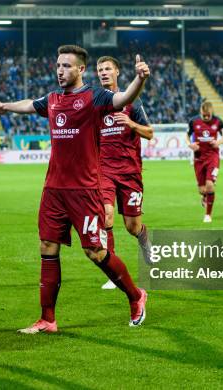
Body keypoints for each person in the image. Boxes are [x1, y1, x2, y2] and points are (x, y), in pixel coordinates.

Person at [0, 45, 150, 333]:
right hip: (53, 190)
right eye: (58, 65)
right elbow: (30, 103)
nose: (60, 71)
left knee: (95, 252)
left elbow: (124, 97)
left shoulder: (96, 97)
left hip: (84, 189)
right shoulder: (53, 99)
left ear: (80, 70)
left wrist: (140, 79)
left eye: (66, 66)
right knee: (47, 248)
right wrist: (5, 106)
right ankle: (47, 319)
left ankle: (136, 296)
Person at [95, 55, 154, 290]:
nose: (103, 72)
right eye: (100, 69)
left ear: (117, 72)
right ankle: (113, 272)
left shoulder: (133, 103)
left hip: (130, 173)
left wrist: (131, 124)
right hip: (104, 172)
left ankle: (144, 238)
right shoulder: (96, 104)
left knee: (132, 226)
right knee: (106, 215)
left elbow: (150, 133)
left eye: (108, 68)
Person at [186, 101, 223, 223]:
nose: (206, 117)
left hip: (213, 157)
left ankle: (208, 215)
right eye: (204, 115)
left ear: (212, 112)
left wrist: (219, 142)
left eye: (208, 115)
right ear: (200, 112)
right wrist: (190, 144)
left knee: (210, 185)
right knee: (202, 190)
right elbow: (187, 135)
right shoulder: (194, 121)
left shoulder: (218, 121)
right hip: (198, 158)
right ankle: (204, 197)